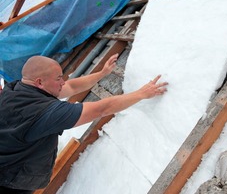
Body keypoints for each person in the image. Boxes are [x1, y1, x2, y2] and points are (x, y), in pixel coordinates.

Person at [0, 54, 168, 194]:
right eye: (58, 78)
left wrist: (102, 73)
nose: (63, 82)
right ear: (39, 82)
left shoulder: (17, 90)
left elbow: (71, 87)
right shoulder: (44, 113)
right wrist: (141, 94)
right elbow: (100, 109)